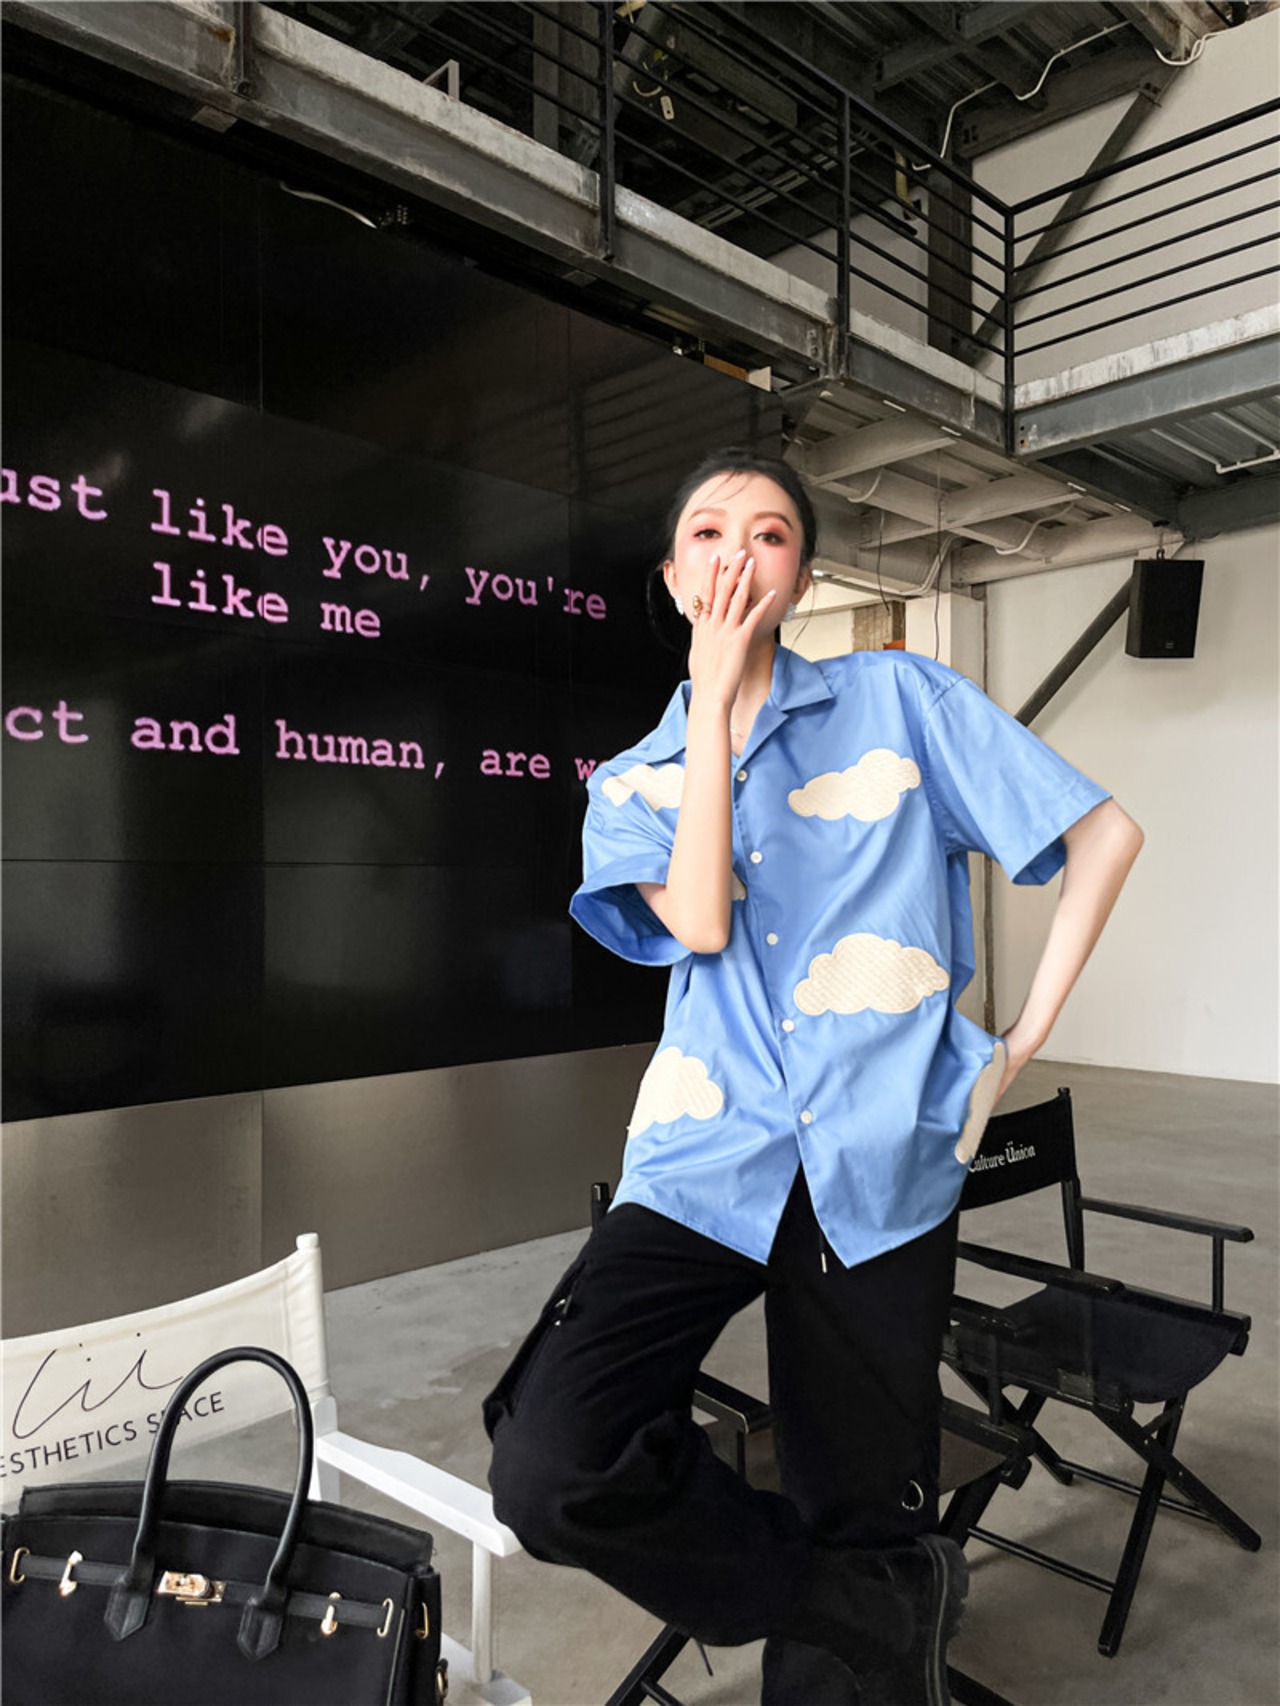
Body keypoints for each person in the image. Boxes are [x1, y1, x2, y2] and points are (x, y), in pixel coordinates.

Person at [485, 449, 1143, 1704]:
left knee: (860, 1501)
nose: (738, 552)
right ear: (673, 576)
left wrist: (1015, 1046)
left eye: (771, 533)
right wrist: (711, 706)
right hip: (702, 1156)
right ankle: (861, 1604)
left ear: (798, 575)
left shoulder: (899, 699)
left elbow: (1102, 833)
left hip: (881, 1160)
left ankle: (864, 1618)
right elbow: (699, 918)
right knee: (553, 1459)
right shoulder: (629, 781)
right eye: (709, 531)